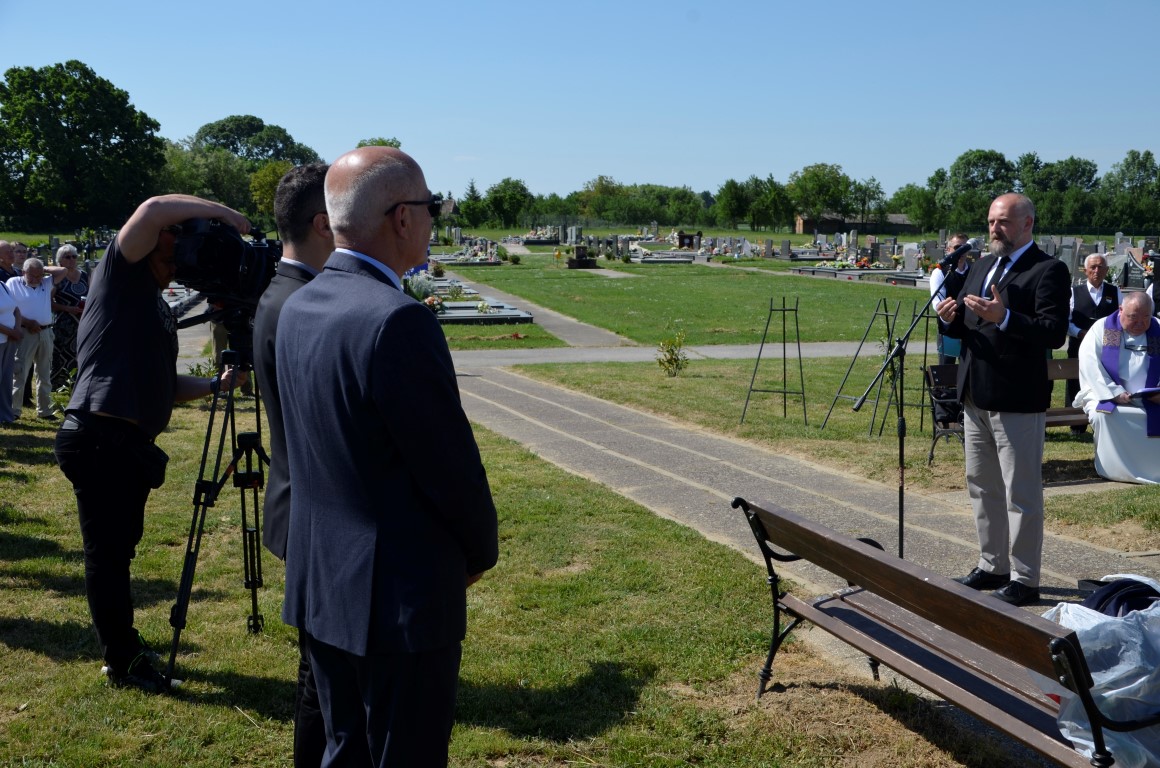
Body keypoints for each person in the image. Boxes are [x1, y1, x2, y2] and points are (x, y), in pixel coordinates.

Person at [276, 146, 499, 766]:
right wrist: (479, 552)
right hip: (399, 599)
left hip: (324, 581)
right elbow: (450, 469)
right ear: (402, 218)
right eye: (430, 208)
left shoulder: (299, 304)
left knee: (343, 749)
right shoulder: (397, 320)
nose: (432, 221)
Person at [53, 194, 249, 694]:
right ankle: (121, 660)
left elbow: (166, 382)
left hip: (123, 443)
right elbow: (155, 207)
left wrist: (214, 385)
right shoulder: (117, 276)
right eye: (171, 242)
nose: (175, 256)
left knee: (118, 553)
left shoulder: (156, 306)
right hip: (99, 436)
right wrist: (226, 215)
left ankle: (123, 646)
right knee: (108, 556)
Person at [936, 193, 1070, 607]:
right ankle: (992, 565)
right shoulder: (981, 266)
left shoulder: (1047, 270)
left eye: (1004, 222)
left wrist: (1006, 317)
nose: (995, 229)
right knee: (982, 487)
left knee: (1020, 494)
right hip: (975, 394)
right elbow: (969, 327)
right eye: (992, 221)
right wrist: (950, 320)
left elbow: (1053, 332)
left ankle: (1025, 579)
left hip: (1016, 398)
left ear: (1027, 224)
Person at [251, 163, 332, 767]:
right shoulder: (304, 302)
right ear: (325, 224)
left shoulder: (281, 292)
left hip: (297, 503)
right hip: (316, 512)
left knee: (320, 676)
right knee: (320, 683)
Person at [1073, 291, 1160, 484]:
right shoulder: (1103, 329)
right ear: (1121, 310)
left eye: (1146, 317)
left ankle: (1154, 468)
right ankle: (1114, 470)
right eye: (1133, 317)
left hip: (1150, 398)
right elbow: (1090, 364)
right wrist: (1114, 392)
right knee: (1104, 416)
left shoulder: (1158, 329)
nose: (1140, 323)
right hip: (1104, 394)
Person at [1065, 253, 1120, 431]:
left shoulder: (1115, 292)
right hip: (1079, 345)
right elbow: (1066, 321)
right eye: (1093, 267)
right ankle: (1076, 426)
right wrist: (1080, 333)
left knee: (1105, 382)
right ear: (1085, 270)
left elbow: (1121, 319)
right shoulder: (1073, 292)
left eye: (1101, 267)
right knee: (1075, 382)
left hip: (1107, 348)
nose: (1097, 271)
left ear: (1107, 270)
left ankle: (1105, 421)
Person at [7, 257, 67, 419]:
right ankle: (14, 411)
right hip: (25, 332)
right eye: (31, 275)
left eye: (38, 275)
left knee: (44, 373)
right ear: (23, 272)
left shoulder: (46, 283)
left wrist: (43, 269)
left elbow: (63, 271)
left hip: (45, 332)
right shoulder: (13, 283)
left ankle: (45, 410)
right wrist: (28, 322)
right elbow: (10, 309)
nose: (35, 279)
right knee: (19, 372)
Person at [50, 244, 89, 388]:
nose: (72, 259)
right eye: (67, 257)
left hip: (83, 322)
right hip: (64, 324)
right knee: (60, 355)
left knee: (80, 353)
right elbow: (48, 302)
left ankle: (78, 384)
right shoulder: (56, 278)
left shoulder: (84, 275)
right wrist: (67, 308)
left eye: (74, 256)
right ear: (60, 260)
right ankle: (58, 385)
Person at [929, 233, 970, 364]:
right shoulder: (940, 272)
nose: (961, 251)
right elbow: (937, 303)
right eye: (957, 247)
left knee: (970, 370)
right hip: (949, 328)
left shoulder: (974, 270)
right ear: (949, 249)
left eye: (965, 247)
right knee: (946, 370)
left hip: (970, 328)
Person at [0, 273, 21, 425]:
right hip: (4, 338)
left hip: (9, 340)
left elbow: (16, 310)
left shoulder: (3, 285)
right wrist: (11, 332)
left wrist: (17, 329)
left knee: (6, 379)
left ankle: (6, 415)